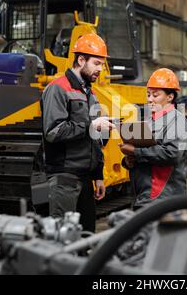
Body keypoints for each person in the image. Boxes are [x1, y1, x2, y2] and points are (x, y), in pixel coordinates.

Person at [41, 32, 115, 232]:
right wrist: (92, 125)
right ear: (81, 60)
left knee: (86, 236)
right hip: (65, 177)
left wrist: (98, 175)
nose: (100, 69)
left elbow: (94, 141)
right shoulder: (57, 89)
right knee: (64, 237)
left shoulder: (89, 93)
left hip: (85, 178)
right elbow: (53, 131)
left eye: (102, 64)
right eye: (97, 63)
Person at [119, 68, 187, 209]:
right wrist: (128, 160)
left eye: (155, 95)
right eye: (148, 94)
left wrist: (135, 151)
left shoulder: (177, 121)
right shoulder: (149, 121)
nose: (150, 99)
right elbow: (143, 150)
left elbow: (172, 154)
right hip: (143, 194)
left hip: (163, 196)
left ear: (170, 97)